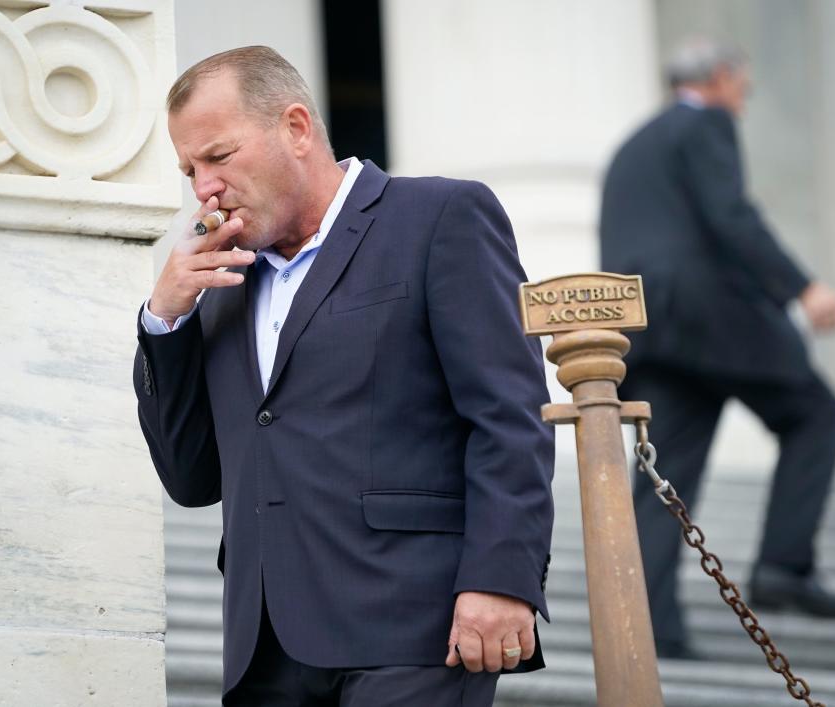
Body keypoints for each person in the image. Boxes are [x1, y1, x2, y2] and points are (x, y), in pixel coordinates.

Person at [133, 46, 554, 705]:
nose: (203, 188)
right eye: (190, 170)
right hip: (264, 647)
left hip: (416, 628)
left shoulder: (440, 217)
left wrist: (502, 578)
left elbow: (510, 415)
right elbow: (192, 478)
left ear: (296, 128)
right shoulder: (220, 282)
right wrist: (165, 319)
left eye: (218, 156)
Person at [599, 37, 835, 660]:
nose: (743, 100)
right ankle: (784, 565)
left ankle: (650, 628)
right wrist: (803, 288)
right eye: (742, 86)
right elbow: (730, 215)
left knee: (665, 480)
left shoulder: (631, 147)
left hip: (651, 329)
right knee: (816, 412)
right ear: (720, 78)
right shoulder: (707, 121)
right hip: (712, 317)